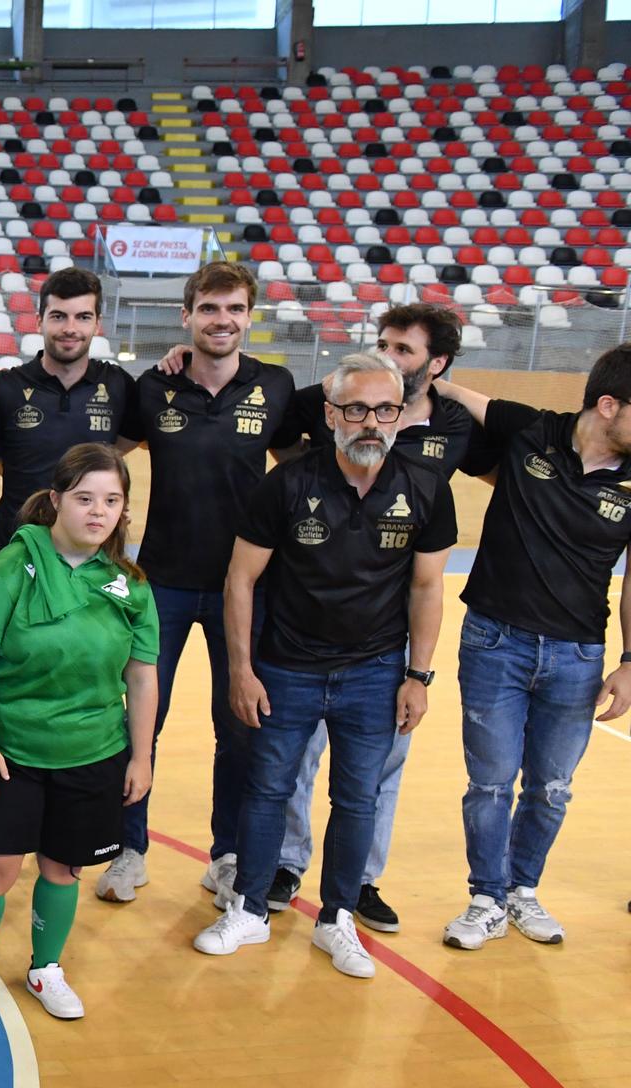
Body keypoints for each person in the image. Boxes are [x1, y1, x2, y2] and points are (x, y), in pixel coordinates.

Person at [194, 353, 454, 979]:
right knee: (266, 791)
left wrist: (418, 677)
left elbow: (426, 589)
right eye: (358, 409)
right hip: (287, 667)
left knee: (357, 797)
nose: (372, 422)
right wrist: (241, 669)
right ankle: (250, 909)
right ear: (332, 414)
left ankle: (336, 919)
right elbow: (241, 580)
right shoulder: (286, 484)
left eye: (385, 410)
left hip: (375, 672)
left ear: (399, 416)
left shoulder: (426, 486)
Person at [262, 303, 476, 929]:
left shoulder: (456, 425)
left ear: (435, 364)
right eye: (382, 344)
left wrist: (421, 670)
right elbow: (274, 426)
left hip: (385, 637)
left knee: (377, 772)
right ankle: (286, 863)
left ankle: (358, 882)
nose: (387, 357)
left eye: (404, 351)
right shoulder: (335, 400)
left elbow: (518, 442)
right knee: (296, 761)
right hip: (308, 615)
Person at [101, 261, 298, 904]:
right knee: (141, 719)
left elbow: (306, 469)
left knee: (238, 723)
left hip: (247, 586)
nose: (222, 320)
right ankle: (128, 849)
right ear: (186, 315)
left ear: (249, 316)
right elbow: (104, 458)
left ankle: (228, 854)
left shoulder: (276, 385)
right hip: (162, 581)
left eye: (234, 309)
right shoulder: (153, 388)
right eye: (209, 309)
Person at [425, 348, 631, 950]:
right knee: (489, 783)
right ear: (609, 405)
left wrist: (628, 661)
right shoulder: (531, 429)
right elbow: (451, 394)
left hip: (578, 658)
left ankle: (523, 890)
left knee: (551, 787)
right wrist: (411, 369)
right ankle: (486, 896)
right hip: (495, 642)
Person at [0, 444, 158, 1031]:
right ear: (58, 500)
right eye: (86, 498)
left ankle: (45, 968)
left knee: (64, 868)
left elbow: (142, 678)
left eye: (112, 501)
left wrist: (141, 756)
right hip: (8, 750)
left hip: (93, 751)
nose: (98, 511)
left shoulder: (130, 585)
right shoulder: (11, 567)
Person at [0, 267, 141, 560]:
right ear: (40, 320)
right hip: (15, 550)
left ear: (97, 323)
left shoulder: (118, 385)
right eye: (58, 316)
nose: (70, 328)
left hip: (91, 555)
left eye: (82, 317)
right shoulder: (5, 388)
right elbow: (2, 460)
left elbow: (130, 443)